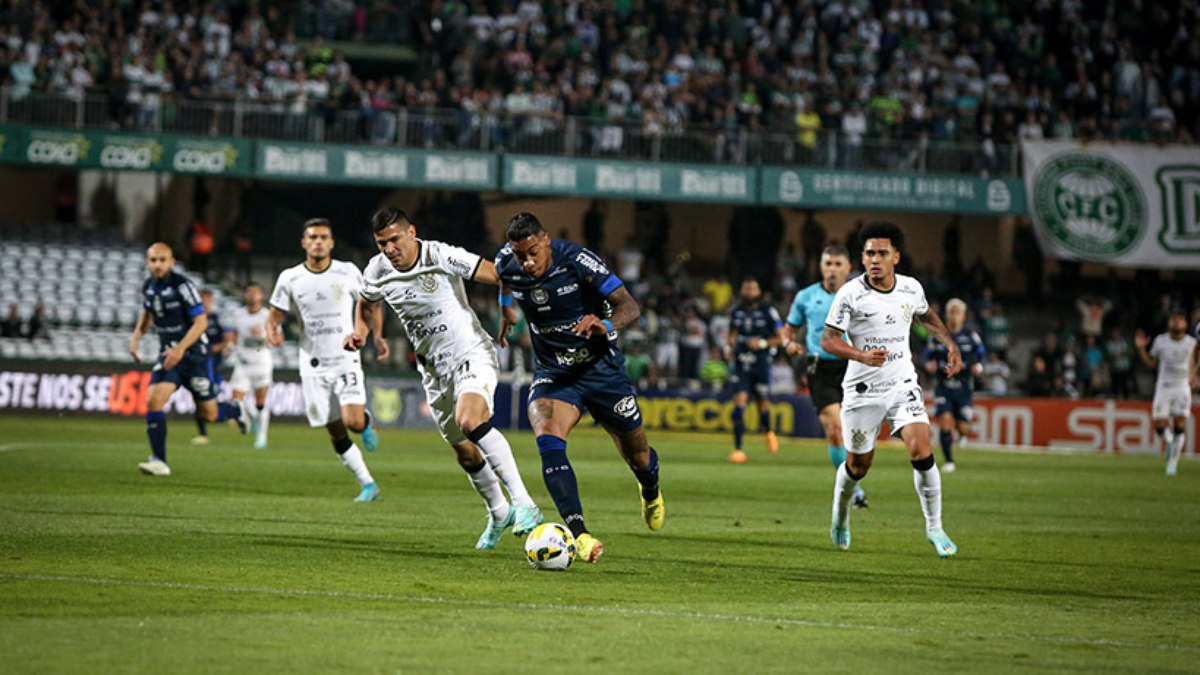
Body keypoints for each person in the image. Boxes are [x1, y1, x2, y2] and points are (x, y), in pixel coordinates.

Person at [345, 207, 543, 549]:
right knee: (465, 453)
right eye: (381, 243)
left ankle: (524, 502)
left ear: (411, 233)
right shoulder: (377, 269)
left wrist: (506, 305)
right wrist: (360, 332)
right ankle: (498, 512)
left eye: (394, 240)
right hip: (433, 371)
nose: (389, 249)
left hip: (471, 353)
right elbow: (367, 303)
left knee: (470, 419)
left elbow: (499, 272)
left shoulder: (441, 254)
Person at [495, 212, 664, 564]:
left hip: (602, 371)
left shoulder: (578, 260)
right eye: (518, 254)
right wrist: (506, 309)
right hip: (555, 373)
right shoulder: (507, 262)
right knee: (546, 434)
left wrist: (605, 324)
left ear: (545, 241)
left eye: (531, 253)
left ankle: (650, 490)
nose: (525, 262)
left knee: (639, 457)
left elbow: (629, 306)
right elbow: (503, 279)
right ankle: (580, 534)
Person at [820, 221, 962, 558]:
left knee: (922, 451)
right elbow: (828, 340)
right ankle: (840, 517)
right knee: (858, 466)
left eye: (882, 253)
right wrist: (861, 355)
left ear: (896, 257)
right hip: (862, 390)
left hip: (902, 385)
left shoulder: (911, 289)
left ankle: (934, 526)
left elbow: (926, 317)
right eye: (869, 253)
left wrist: (950, 345)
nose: (874, 259)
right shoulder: (850, 293)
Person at [265, 218, 384, 502]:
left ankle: (365, 422)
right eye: (312, 237)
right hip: (313, 363)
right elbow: (274, 315)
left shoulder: (348, 272)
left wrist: (377, 336)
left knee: (352, 422)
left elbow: (370, 304)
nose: (318, 241)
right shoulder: (290, 278)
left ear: (331, 243)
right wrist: (273, 331)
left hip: (346, 357)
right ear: (304, 242)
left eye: (323, 237)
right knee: (334, 429)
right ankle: (368, 485)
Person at [128, 243, 249, 476]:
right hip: (168, 355)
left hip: (195, 357)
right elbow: (147, 313)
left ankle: (234, 410)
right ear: (147, 262)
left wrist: (181, 349)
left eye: (162, 260)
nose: (157, 264)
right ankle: (159, 461)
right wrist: (136, 338)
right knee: (153, 401)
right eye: (153, 260)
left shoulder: (183, 286)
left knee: (210, 414)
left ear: (172, 261)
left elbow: (201, 322)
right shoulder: (149, 287)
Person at [783, 244, 867, 508]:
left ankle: (852, 479)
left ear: (848, 268)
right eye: (827, 264)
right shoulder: (806, 296)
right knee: (834, 430)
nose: (832, 270)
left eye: (837, 264)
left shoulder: (862, 296)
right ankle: (853, 489)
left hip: (852, 367)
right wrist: (789, 344)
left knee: (855, 433)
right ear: (820, 266)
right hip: (820, 368)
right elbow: (789, 329)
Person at [725, 277, 786, 463]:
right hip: (742, 364)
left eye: (752, 288)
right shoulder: (736, 311)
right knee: (739, 406)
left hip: (761, 363)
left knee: (762, 406)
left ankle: (768, 432)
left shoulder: (768, 311)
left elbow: (781, 338)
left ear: (758, 291)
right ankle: (738, 449)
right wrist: (730, 346)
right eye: (746, 288)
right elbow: (731, 335)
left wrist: (761, 343)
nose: (749, 292)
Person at [923, 298, 986, 473]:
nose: (954, 316)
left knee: (963, 426)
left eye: (957, 312)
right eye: (951, 312)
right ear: (946, 314)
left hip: (964, 388)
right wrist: (929, 364)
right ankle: (949, 461)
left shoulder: (971, 336)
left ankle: (962, 432)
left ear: (963, 316)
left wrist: (978, 366)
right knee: (945, 421)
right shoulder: (938, 336)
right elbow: (928, 356)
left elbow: (982, 355)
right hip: (943, 386)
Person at [1134, 310, 1199, 476]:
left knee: (1179, 425)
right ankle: (1169, 442)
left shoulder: (1191, 343)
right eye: (1173, 319)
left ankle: (1172, 463)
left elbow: (1197, 359)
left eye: (1180, 319)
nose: (1177, 322)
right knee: (1160, 425)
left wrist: (1192, 375)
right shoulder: (1160, 341)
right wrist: (1141, 349)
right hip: (1163, 387)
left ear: (1185, 324)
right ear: (1169, 324)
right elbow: (1151, 363)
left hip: (1181, 387)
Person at [228, 282, 275, 450]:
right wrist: (230, 346)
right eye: (249, 292)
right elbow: (234, 334)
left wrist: (263, 336)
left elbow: (279, 339)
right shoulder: (238, 314)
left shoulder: (268, 316)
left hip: (261, 364)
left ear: (261, 296)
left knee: (260, 402)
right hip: (243, 363)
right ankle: (252, 418)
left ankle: (261, 437)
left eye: (255, 292)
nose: (251, 295)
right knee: (236, 401)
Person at [192, 289, 233, 445]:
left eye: (207, 299)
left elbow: (228, 338)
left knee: (211, 398)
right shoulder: (193, 318)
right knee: (198, 397)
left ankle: (233, 412)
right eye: (201, 299)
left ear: (211, 301)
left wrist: (219, 347)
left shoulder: (218, 319)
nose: (204, 302)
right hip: (197, 362)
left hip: (214, 364)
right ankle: (202, 434)